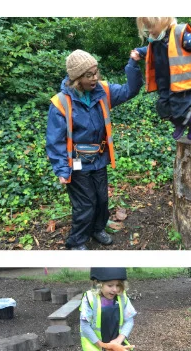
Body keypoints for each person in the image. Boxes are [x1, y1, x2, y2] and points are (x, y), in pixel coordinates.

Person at [46, 49, 143, 250]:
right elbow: (55, 140)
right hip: (76, 162)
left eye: (96, 72)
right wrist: (62, 169)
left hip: (98, 159)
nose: (95, 78)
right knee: (85, 204)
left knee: (101, 198)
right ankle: (77, 242)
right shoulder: (61, 103)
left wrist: (133, 64)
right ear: (76, 78)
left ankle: (97, 229)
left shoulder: (102, 91)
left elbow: (130, 90)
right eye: (89, 75)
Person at [131, 17, 191, 141]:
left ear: (163, 21)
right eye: (146, 26)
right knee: (163, 108)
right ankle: (180, 124)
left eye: (151, 26)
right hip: (164, 83)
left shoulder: (179, 35)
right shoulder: (156, 41)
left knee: (180, 108)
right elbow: (149, 50)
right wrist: (139, 52)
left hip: (180, 82)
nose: (149, 30)